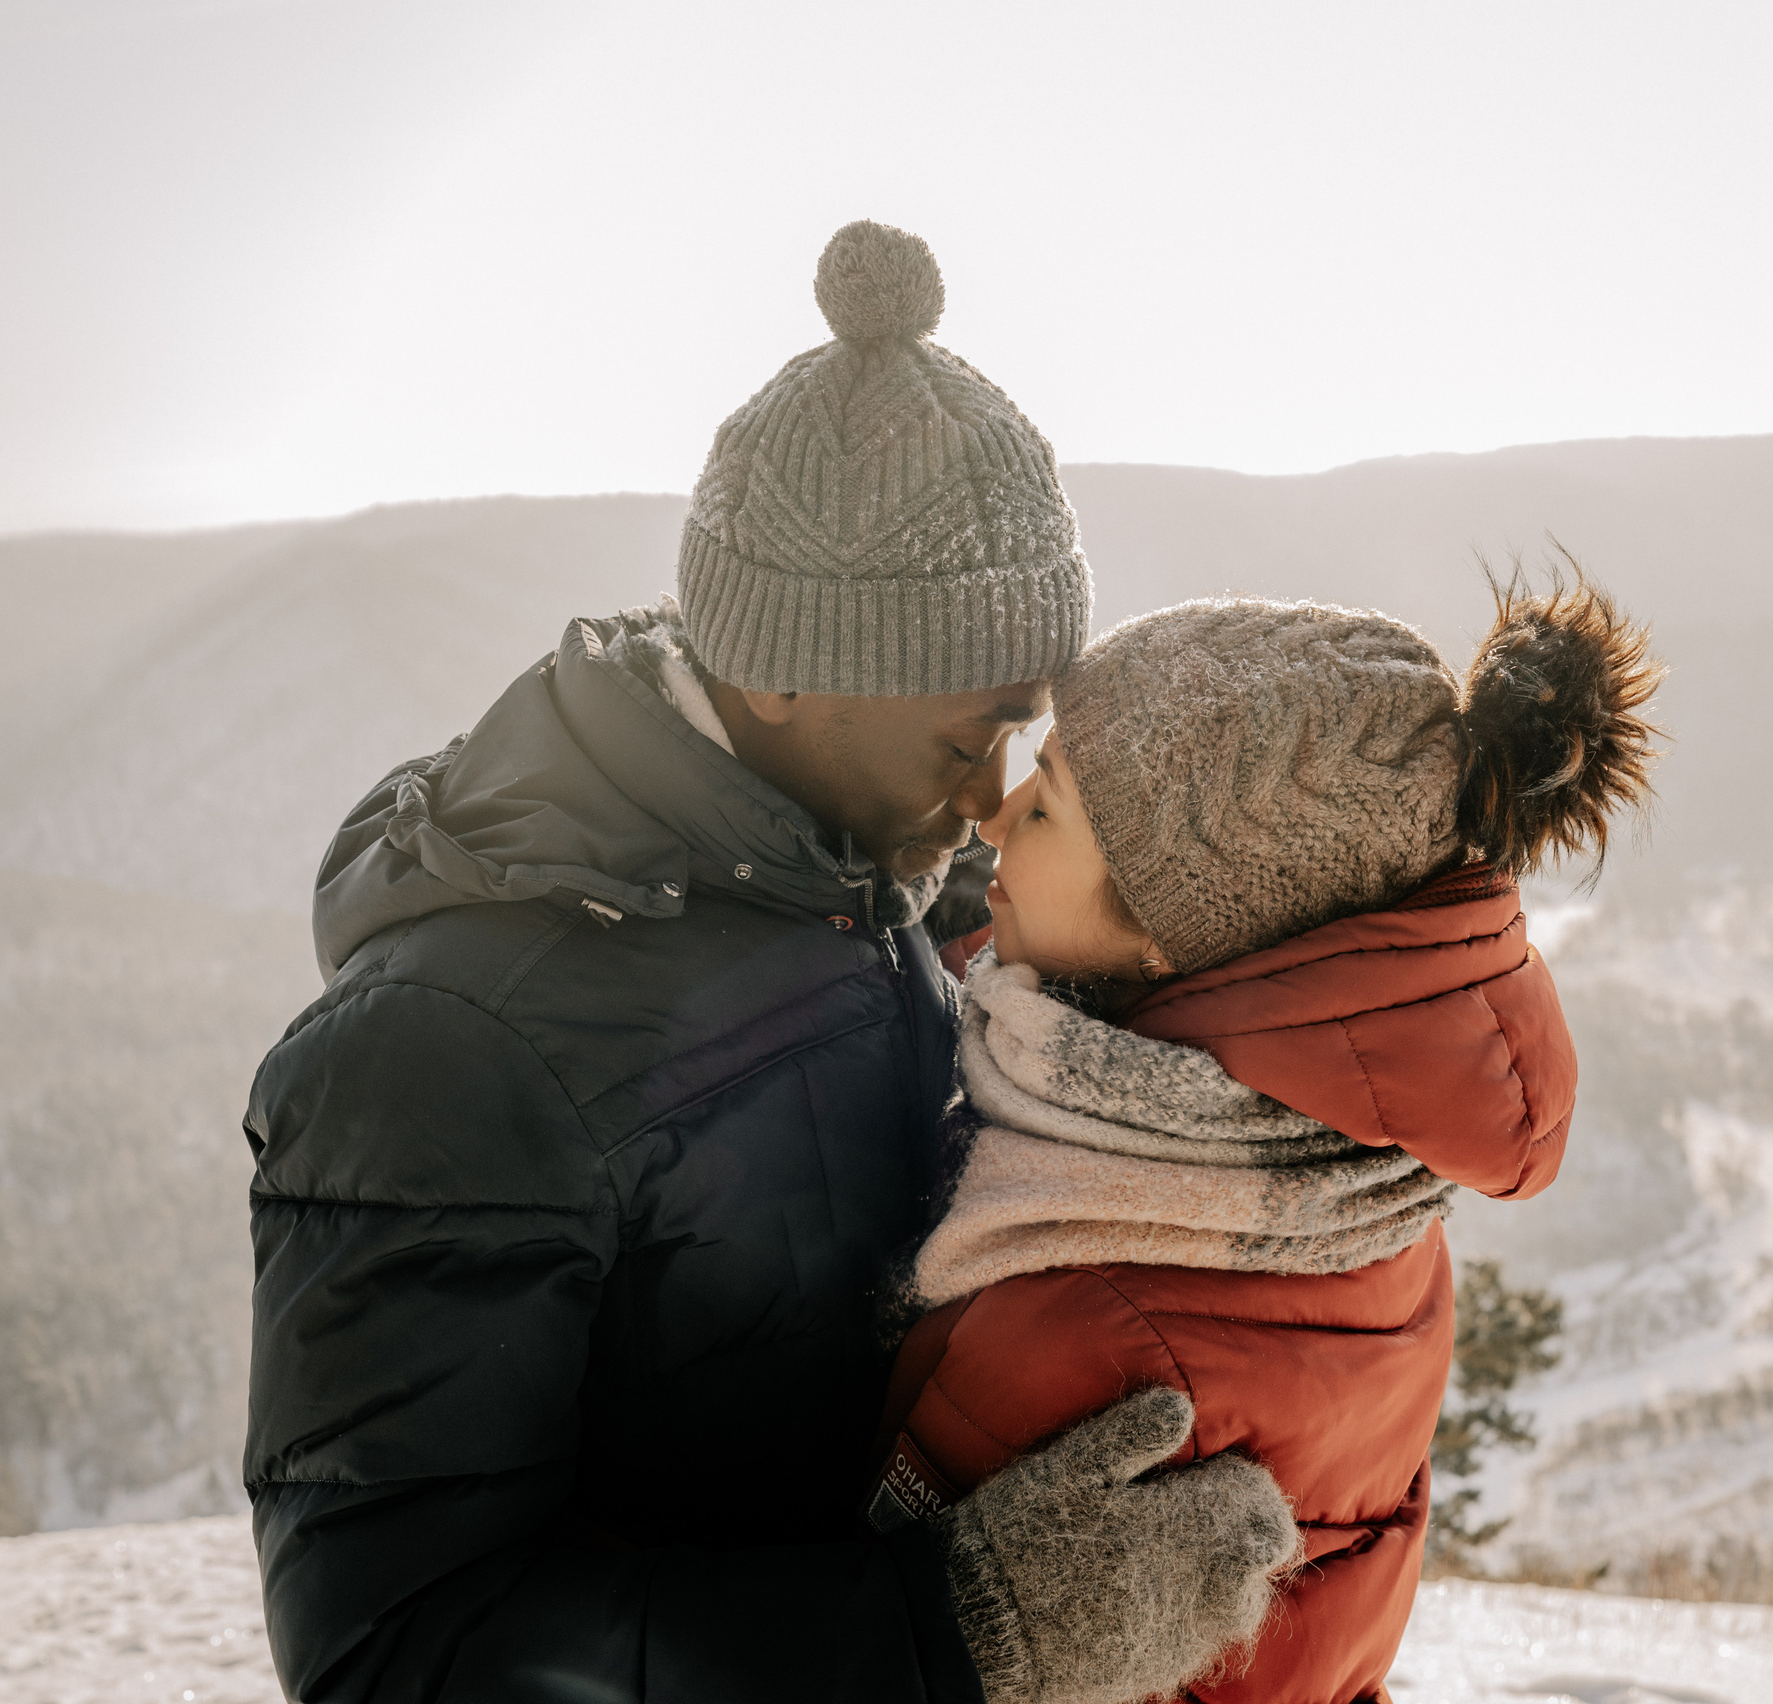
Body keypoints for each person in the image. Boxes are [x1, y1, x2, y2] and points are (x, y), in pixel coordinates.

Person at [239, 221, 1297, 1704]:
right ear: (787, 669)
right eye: (971, 735)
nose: (996, 796)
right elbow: (396, 1652)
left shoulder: (855, 877)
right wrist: (953, 1633)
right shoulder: (444, 1050)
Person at [865, 582, 1663, 1702]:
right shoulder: (1361, 1201)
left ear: (1166, 937)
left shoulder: (1079, 1316)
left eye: (1045, 808)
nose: (995, 819)